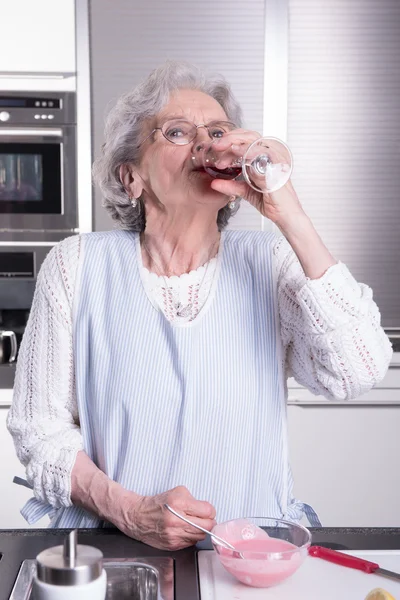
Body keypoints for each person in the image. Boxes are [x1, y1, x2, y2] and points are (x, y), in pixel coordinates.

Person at [7, 61, 392, 551]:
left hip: (249, 555)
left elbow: (357, 369)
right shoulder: (77, 264)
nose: (207, 145)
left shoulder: (269, 261)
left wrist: (286, 209)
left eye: (218, 132)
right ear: (132, 177)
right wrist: (129, 510)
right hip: (115, 549)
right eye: (177, 132)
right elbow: (39, 431)